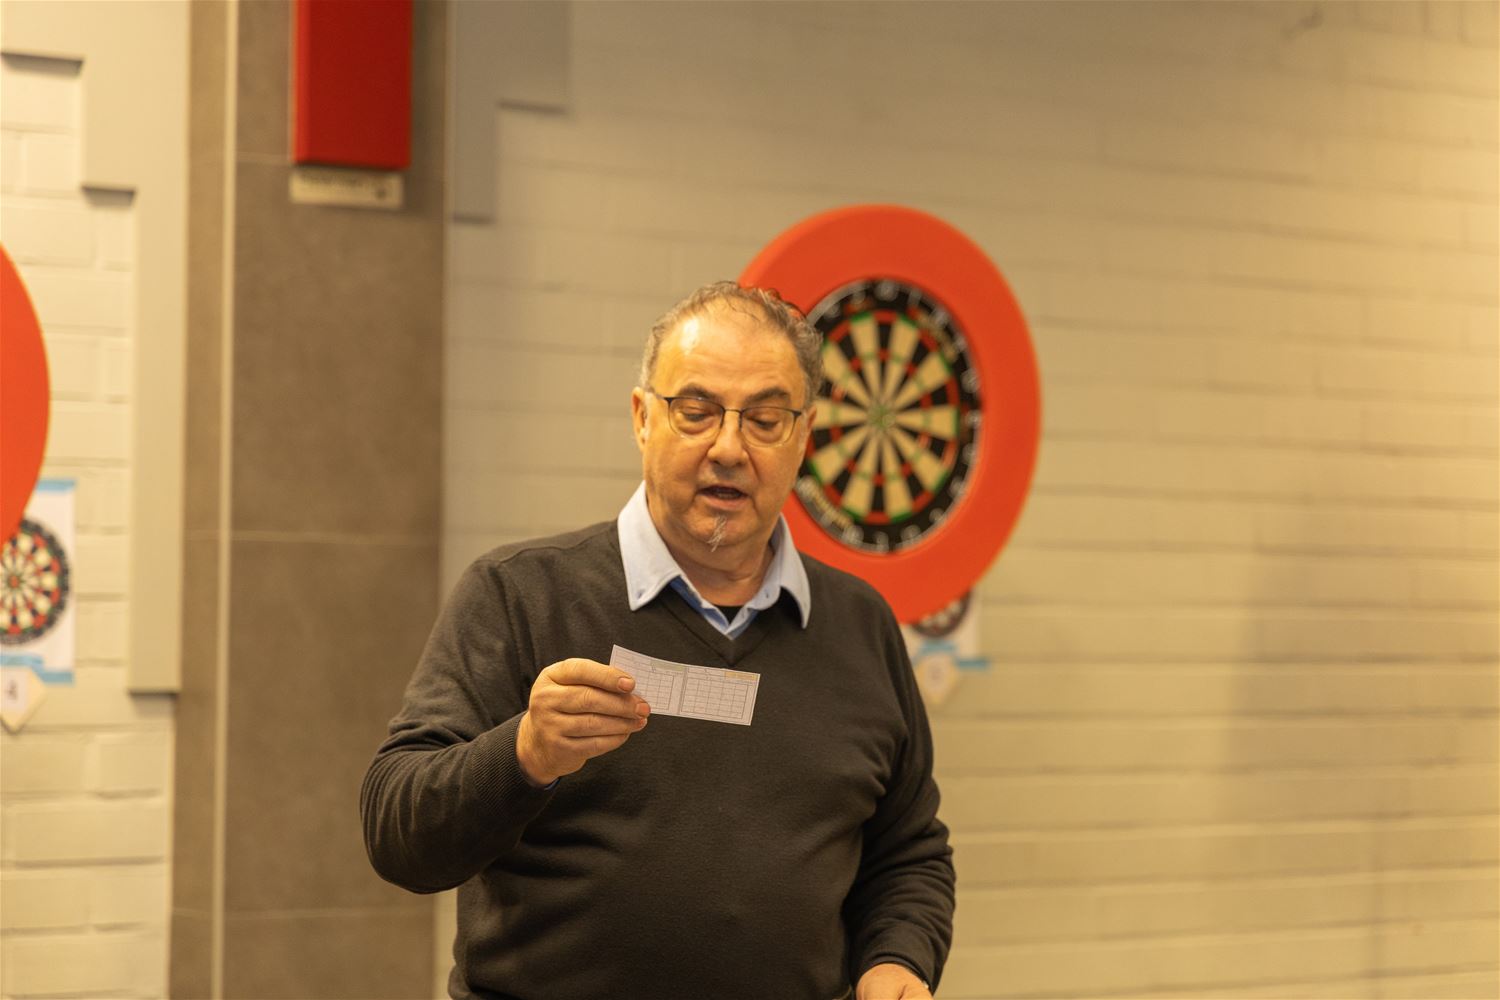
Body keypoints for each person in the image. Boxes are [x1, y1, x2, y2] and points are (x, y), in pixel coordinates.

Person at [361, 281, 955, 1000]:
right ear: (643, 418)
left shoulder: (860, 624)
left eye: (765, 419)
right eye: (696, 412)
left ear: (804, 436)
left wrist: (897, 961)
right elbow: (398, 835)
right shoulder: (520, 595)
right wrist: (525, 754)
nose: (729, 448)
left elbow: (907, 853)